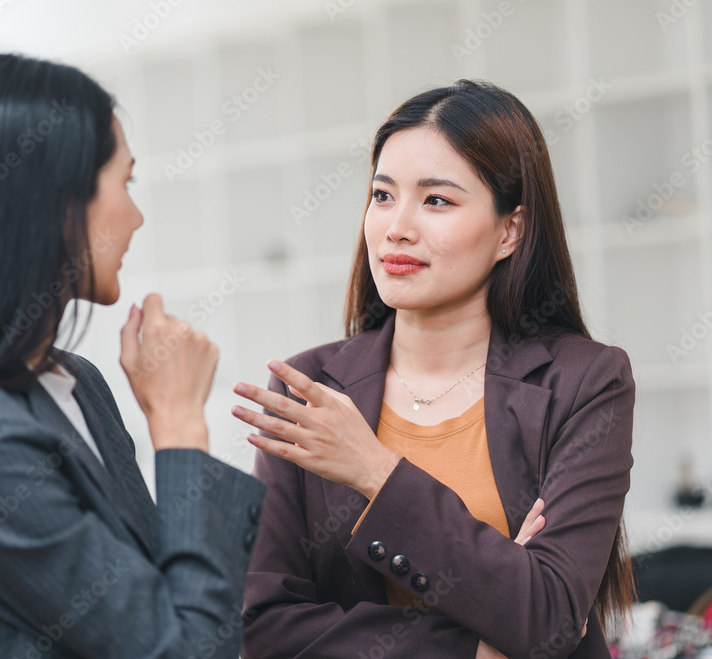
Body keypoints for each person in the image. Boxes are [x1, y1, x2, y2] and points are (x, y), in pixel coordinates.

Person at [0, 53, 265, 659]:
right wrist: (180, 426)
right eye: (125, 182)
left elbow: (166, 603)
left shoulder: (78, 385)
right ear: (55, 203)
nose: (137, 215)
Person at [231, 80, 635, 658]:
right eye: (382, 195)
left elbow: (548, 618)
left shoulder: (584, 382)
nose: (397, 227)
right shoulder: (310, 390)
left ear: (509, 231)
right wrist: (474, 647)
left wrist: (375, 470)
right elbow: (265, 626)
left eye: (437, 200)